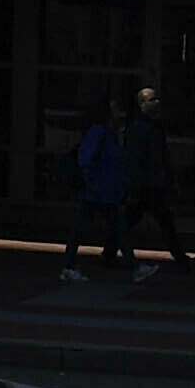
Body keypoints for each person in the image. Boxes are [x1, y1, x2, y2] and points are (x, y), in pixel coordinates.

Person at [128, 78, 195, 274]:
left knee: (154, 220)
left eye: (157, 99)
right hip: (147, 184)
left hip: (154, 183)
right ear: (142, 104)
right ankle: (181, 260)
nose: (157, 102)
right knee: (156, 220)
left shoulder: (155, 127)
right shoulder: (139, 128)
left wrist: (168, 178)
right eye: (152, 100)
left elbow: (162, 156)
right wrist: (136, 183)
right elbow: (137, 158)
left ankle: (181, 259)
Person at [58, 101, 135, 286]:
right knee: (114, 228)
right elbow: (87, 160)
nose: (118, 113)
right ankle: (135, 265)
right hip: (98, 192)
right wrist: (92, 181)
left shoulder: (108, 133)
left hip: (101, 192)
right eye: (115, 110)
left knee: (93, 229)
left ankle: (69, 266)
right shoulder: (100, 132)